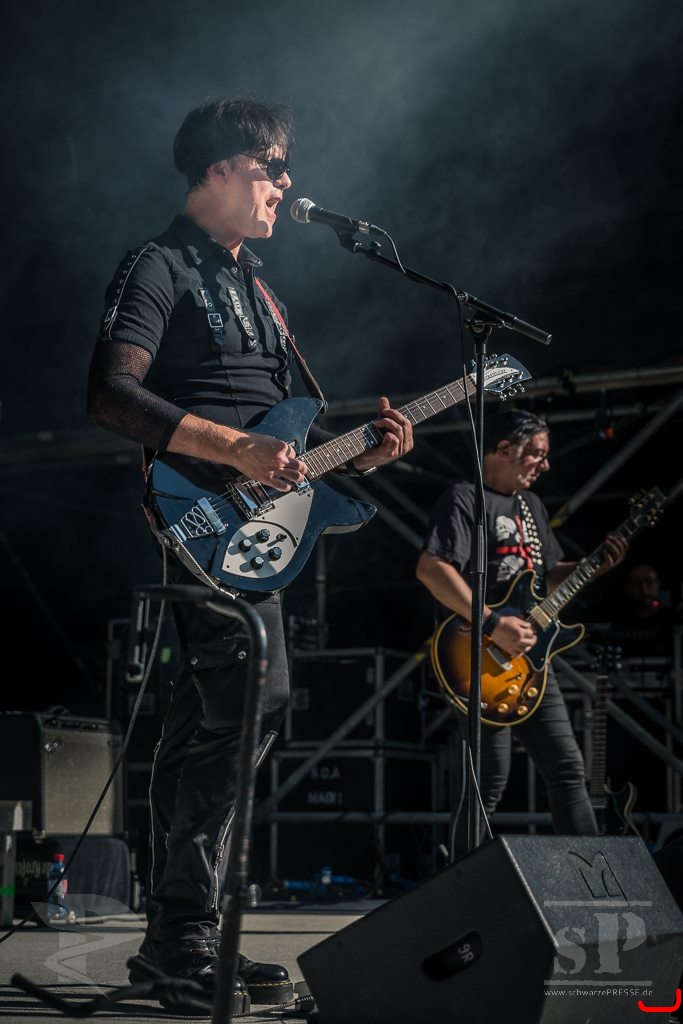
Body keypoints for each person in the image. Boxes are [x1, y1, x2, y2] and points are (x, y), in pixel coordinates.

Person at [87, 96, 413, 1014]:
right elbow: (110, 395)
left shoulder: (262, 291)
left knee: (213, 719)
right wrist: (233, 450)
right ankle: (184, 941)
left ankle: (178, 943)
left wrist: (362, 452)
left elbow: (286, 438)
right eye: (271, 165)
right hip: (198, 519)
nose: (285, 181)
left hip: (258, 533)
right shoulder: (157, 265)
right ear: (219, 168)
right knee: (252, 701)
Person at [415, 408, 627, 858]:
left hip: (531, 663)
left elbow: (546, 577)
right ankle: (461, 883)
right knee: (489, 778)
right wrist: (494, 624)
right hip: (479, 656)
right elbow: (432, 569)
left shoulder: (531, 507)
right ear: (504, 449)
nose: (544, 465)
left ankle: (596, 878)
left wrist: (593, 565)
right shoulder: (464, 498)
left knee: (568, 769)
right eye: (536, 454)